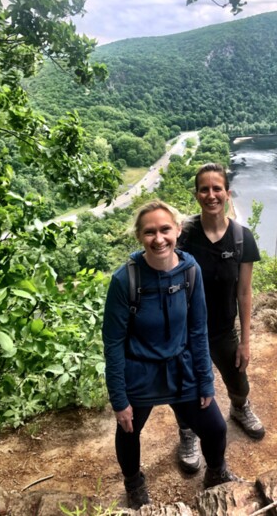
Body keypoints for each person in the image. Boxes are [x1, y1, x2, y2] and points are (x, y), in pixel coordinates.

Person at [102, 200, 239, 510]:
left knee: (216, 428)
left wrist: (205, 380)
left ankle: (216, 475)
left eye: (165, 229)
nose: (159, 238)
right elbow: (112, 343)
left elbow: (197, 330)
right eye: (149, 232)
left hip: (181, 368)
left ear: (178, 230)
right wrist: (119, 399)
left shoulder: (190, 271)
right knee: (128, 430)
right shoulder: (125, 281)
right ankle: (134, 483)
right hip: (140, 372)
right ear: (139, 236)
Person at [175, 163, 265, 475]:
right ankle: (187, 432)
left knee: (238, 378)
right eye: (204, 189)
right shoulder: (184, 235)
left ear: (227, 193)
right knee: (187, 387)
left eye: (217, 188)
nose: (211, 195)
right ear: (197, 193)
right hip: (185, 331)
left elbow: (244, 292)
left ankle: (239, 408)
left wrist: (246, 341)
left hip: (223, 329)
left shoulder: (242, 238)